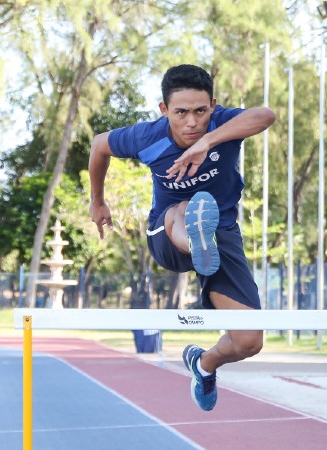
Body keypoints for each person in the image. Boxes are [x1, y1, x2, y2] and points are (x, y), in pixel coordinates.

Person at [89, 64, 276, 411]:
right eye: (181, 113)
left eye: (201, 112)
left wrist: (208, 141)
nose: (192, 122)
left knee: (249, 341)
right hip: (166, 232)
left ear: (213, 106)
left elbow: (266, 115)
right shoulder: (147, 137)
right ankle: (194, 240)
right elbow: (100, 145)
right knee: (187, 207)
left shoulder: (223, 125)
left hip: (222, 235)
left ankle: (203, 364)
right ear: (164, 110)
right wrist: (97, 201)